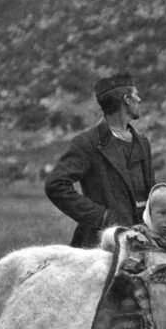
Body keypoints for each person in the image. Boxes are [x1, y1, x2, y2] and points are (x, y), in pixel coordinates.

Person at [45, 72, 154, 248]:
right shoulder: (89, 141)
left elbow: (151, 193)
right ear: (126, 99)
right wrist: (101, 217)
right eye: (136, 95)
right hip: (102, 244)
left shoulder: (142, 142)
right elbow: (55, 184)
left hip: (142, 240)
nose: (139, 100)